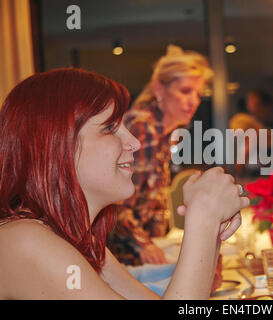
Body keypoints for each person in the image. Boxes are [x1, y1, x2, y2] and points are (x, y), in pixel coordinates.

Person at [0, 68, 247, 299]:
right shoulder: (25, 241)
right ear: (55, 144)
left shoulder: (85, 244)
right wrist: (202, 218)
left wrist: (212, 227)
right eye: (109, 128)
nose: (134, 143)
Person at [107, 45, 214, 266]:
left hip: (140, 252)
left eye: (198, 94)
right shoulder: (141, 127)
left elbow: (153, 200)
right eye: (185, 91)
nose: (193, 101)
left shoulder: (164, 132)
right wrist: (144, 244)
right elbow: (115, 202)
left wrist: (158, 241)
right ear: (158, 90)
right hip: (118, 258)